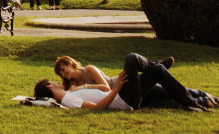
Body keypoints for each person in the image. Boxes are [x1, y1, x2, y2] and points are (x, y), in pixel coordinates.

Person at [35, 53, 219, 111]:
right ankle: (154, 67)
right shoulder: (68, 91)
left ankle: (203, 98)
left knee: (165, 92)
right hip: (124, 93)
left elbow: (105, 86)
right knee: (138, 63)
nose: (63, 74)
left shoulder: (88, 70)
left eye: (64, 68)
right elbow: (96, 105)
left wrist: (84, 86)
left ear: (70, 63)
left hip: (123, 85)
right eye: (60, 74)